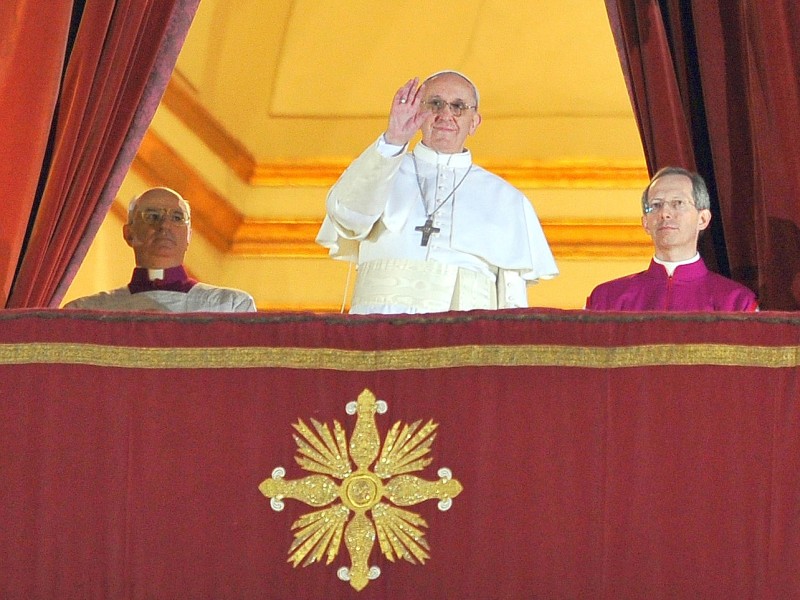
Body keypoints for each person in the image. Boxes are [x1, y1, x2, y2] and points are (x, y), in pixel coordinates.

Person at [316, 71, 558, 314]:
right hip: (379, 335)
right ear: (419, 114)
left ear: (474, 122)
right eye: (435, 104)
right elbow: (347, 217)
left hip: (464, 342)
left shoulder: (506, 200)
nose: (446, 115)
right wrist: (394, 139)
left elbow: (512, 298)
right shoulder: (383, 166)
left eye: (458, 107)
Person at [586, 166, 758, 311]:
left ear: (703, 219)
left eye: (678, 203)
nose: (665, 213)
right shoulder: (606, 300)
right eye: (656, 205)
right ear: (645, 223)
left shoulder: (736, 303)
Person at [64, 187, 256, 312]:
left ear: (189, 235)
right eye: (152, 216)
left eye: (177, 218)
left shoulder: (231, 306)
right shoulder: (86, 312)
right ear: (129, 233)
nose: (164, 225)